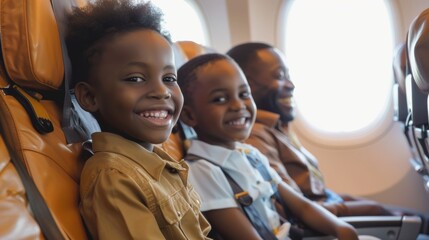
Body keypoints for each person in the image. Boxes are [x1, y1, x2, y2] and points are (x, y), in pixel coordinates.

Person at [65, 0, 211, 239]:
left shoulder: (160, 161)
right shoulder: (113, 178)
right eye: (135, 79)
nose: (162, 91)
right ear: (90, 97)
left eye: (169, 78)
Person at [177, 53, 359, 240]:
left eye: (244, 94)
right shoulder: (202, 172)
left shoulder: (251, 155)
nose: (238, 105)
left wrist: (340, 228)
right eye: (220, 99)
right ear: (190, 115)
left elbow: (302, 207)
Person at [226, 42, 408, 217]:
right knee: (402, 217)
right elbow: (293, 207)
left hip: (325, 203)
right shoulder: (256, 137)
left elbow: (314, 193)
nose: (291, 85)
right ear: (246, 86)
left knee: (406, 215)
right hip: (319, 217)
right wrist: (367, 210)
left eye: (288, 76)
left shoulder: (277, 127)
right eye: (280, 76)